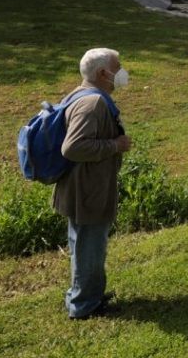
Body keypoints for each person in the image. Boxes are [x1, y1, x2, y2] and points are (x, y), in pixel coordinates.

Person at [54, 47, 132, 320]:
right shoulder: (93, 103)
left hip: (83, 187)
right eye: (117, 66)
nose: (121, 72)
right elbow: (73, 148)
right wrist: (115, 144)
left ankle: (85, 294)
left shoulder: (81, 94)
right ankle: (85, 304)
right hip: (88, 190)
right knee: (90, 247)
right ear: (103, 73)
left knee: (84, 244)